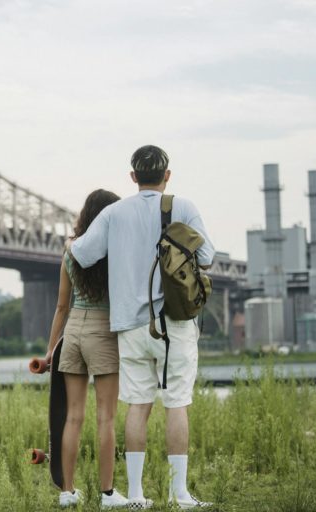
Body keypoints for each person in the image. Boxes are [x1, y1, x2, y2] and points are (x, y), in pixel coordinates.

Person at [69, 145, 215, 510]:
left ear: (132, 177)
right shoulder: (183, 207)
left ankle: (135, 494)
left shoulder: (114, 213)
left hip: (129, 326)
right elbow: (208, 257)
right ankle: (178, 494)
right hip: (174, 323)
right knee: (177, 403)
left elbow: (82, 253)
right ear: (167, 175)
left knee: (137, 405)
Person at [44, 189, 129, 509]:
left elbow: (61, 306)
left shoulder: (70, 250)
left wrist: (51, 350)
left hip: (73, 334)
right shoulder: (116, 250)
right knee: (105, 417)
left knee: (73, 417)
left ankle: (67, 492)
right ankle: (108, 494)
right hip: (102, 333)